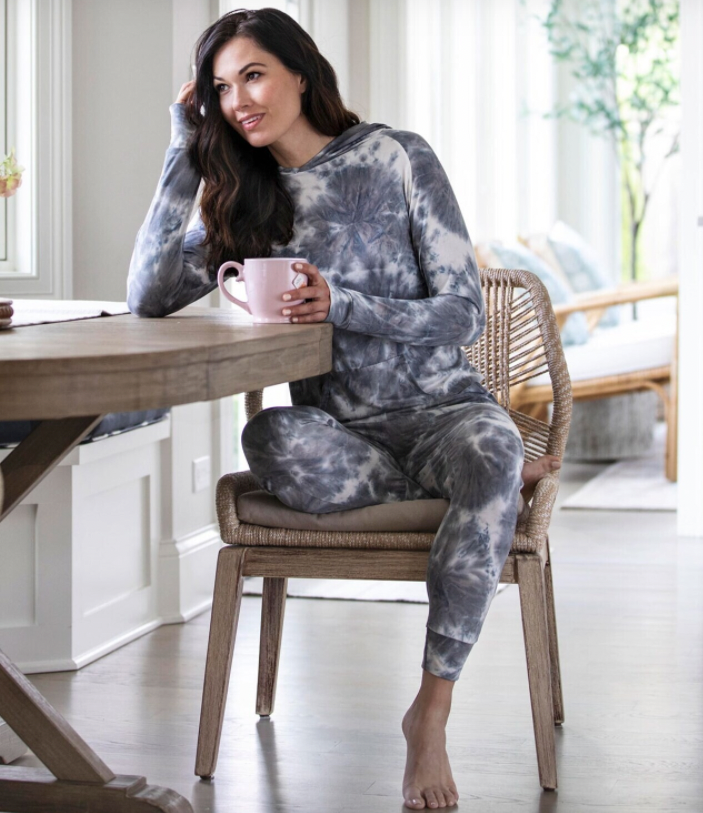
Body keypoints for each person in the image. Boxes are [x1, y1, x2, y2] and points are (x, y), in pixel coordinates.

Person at [128, 8, 559, 809]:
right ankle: (483, 492)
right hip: (343, 436)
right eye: (220, 88)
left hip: (442, 411)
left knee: (486, 447)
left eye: (253, 75)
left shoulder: (396, 157)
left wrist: (343, 304)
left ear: (301, 72)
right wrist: (183, 149)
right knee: (268, 436)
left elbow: (463, 313)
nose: (238, 100)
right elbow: (147, 295)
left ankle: (429, 711)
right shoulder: (245, 203)